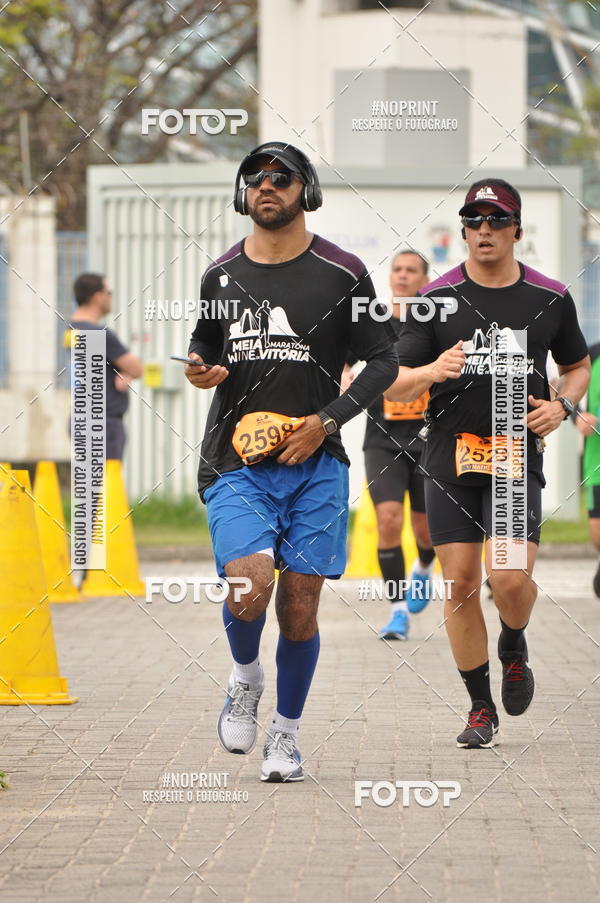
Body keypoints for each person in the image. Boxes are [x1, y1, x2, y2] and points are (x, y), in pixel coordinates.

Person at [185, 141, 397, 782]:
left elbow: (384, 360)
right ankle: (246, 677)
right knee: (250, 584)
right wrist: (201, 370)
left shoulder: (343, 273)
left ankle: (286, 735)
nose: (267, 187)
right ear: (241, 194)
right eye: (254, 178)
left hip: (318, 462)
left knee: (300, 603)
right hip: (235, 460)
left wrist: (326, 420)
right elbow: (202, 345)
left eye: (282, 177)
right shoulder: (220, 274)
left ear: (306, 190)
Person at [385, 178, 590, 748]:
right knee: (459, 585)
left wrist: (563, 405)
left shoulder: (548, 297)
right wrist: (431, 371)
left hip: (512, 454)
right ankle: (480, 707)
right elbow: (397, 385)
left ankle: (514, 643)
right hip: (447, 457)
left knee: (508, 579)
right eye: (473, 221)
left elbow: (576, 366)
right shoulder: (437, 299)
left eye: (496, 221)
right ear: (464, 231)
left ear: (516, 231)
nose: (483, 231)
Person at [363, 251, 436, 640]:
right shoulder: (373, 321)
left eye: (411, 270)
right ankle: (397, 612)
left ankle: (424, 568)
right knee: (389, 520)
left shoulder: (435, 322)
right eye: (397, 269)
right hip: (382, 439)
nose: (403, 276)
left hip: (428, 439)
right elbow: (344, 362)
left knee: (426, 531)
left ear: (424, 279)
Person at [67, 273, 142, 460]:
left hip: (82, 418)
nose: (111, 297)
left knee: (89, 486)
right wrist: (126, 370)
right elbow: (137, 368)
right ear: (97, 296)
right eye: (109, 292)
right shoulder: (98, 334)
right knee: (107, 484)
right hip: (103, 423)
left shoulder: (71, 329)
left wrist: (121, 370)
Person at [574, 341, 600, 596]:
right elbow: (565, 388)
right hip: (596, 460)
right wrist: (577, 416)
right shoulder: (592, 354)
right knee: (597, 533)